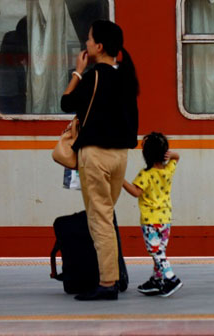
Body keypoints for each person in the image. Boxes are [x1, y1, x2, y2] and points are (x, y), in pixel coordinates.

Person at [60, 20, 139, 301]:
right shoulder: (126, 77)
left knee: (100, 220)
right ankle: (112, 277)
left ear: (100, 46)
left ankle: (107, 283)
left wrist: (77, 72)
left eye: (90, 39)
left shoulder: (93, 76)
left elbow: (66, 103)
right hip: (120, 156)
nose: (87, 43)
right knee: (106, 216)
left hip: (96, 155)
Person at [122, 132, 183, 298]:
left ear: (146, 155)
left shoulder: (146, 174)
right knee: (160, 251)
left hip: (150, 221)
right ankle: (157, 280)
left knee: (156, 252)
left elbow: (136, 192)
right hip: (166, 219)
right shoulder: (168, 171)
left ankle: (171, 278)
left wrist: (121, 180)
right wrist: (172, 154)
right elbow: (176, 158)